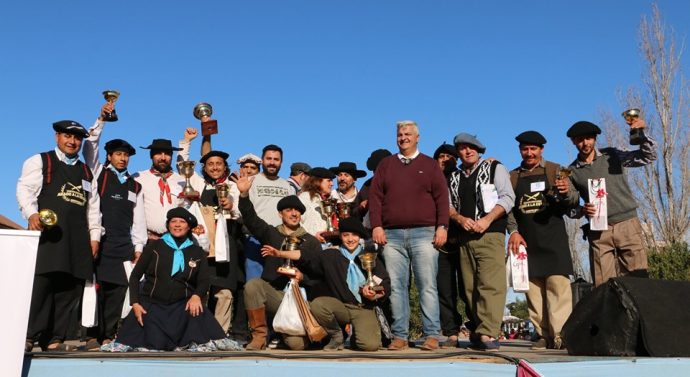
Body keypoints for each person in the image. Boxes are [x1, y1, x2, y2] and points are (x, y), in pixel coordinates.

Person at [17, 120, 101, 352]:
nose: (72, 142)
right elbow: (25, 190)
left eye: (77, 138)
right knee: (41, 287)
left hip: (77, 239)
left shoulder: (86, 171)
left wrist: (95, 236)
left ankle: (54, 338)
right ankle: (28, 336)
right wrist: (31, 214)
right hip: (48, 236)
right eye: (67, 136)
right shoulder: (41, 161)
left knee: (68, 290)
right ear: (57, 137)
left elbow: (93, 207)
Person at [368, 120, 449, 351]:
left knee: (427, 285)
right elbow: (375, 197)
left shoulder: (430, 165)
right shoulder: (386, 165)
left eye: (407, 134)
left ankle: (432, 334)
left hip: (424, 233)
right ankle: (400, 335)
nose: (403, 137)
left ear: (417, 137)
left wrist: (442, 225)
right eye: (400, 134)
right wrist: (377, 226)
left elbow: (442, 197)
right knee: (397, 287)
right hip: (391, 235)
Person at [111, 208, 238, 351]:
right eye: (173, 221)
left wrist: (196, 296)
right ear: (168, 225)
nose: (177, 225)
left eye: (182, 222)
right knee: (152, 342)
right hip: (152, 306)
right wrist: (135, 303)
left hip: (182, 307)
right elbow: (134, 277)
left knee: (198, 312)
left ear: (189, 226)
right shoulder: (154, 247)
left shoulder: (197, 252)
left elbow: (204, 281)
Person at [261, 217, 390, 351]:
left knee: (369, 346)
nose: (350, 239)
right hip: (341, 306)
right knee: (319, 305)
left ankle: (357, 335)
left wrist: (374, 292)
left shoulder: (369, 256)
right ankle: (336, 334)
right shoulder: (330, 255)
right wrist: (280, 253)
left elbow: (384, 282)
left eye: (354, 235)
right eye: (346, 235)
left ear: (360, 237)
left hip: (363, 307)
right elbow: (305, 256)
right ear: (340, 236)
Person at [81, 105, 147, 349]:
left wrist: (138, 246)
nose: (122, 158)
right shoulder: (99, 174)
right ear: (109, 156)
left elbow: (138, 219)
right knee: (95, 290)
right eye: (118, 154)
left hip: (123, 245)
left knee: (119, 292)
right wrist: (101, 120)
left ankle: (108, 334)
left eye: (126, 155)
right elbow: (90, 147)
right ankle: (90, 334)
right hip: (101, 241)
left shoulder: (135, 185)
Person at [233, 173, 323, 350]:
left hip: (300, 300)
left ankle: (285, 333)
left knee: (296, 345)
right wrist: (244, 195)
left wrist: (302, 276)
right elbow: (251, 219)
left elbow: (319, 275)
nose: (294, 213)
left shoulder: (311, 241)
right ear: (280, 214)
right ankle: (259, 336)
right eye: (289, 210)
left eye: (297, 210)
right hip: (277, 296)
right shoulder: (271, 234)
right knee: (253, 285)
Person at [506, 131, 577, 350]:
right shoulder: (513, 176)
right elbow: (508, 208)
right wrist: (514, 231)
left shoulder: (556, 169)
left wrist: (566, 193)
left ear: (541, 150)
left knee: (558, 288)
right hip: (527, 243)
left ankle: (560, 336)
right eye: (525, 149)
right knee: (533, 292)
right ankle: (542, 335)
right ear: (520, 150)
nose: (529, 153)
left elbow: (574, 200)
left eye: (533, 149)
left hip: (554, 239)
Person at [566, 120, 656, 287]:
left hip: (627, 224)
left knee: (639, 281)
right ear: (573, 141)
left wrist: (641, 135)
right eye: (579, 140)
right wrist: (582, 210)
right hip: (599, 231)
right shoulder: (571, 171)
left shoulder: (613, 155)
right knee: (602, 286)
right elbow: (570, 209)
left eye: (588, 138)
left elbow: (648, 156)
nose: (585, 143)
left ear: (595, 139)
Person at [178, 131, 247, 343]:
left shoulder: (235, 186)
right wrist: (186, 142)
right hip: (202, 246)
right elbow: (183, 168)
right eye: (210, 164)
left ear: (225, 166)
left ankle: (219, 335)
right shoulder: (199, 184)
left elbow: (242, 214)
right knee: (201, 291)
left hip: (228, 246)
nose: (215, 167)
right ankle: (197, 335)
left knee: (224, 293)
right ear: (205, 168)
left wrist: (232, 206)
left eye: (219, 163)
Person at [448, 133, 515, 351]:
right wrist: (458, 218)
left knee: (490, 283)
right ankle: (478, 328)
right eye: (463, 148)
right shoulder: (454, 177)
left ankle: (489, 332)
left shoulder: (496, 168)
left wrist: (487, 220)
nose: (467, 151)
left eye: (471, 147)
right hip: (465, 237)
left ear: (479, 150)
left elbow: (508, 197)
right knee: (469, 288)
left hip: (490, 233)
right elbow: (448, 206)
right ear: (458, 152)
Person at [432, 143, 465, 348]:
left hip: (463, 239)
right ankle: (451, 331)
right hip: (439, 243)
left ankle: (478, 327)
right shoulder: (430, 180)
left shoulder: (465, 177)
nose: (445, 159)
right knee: (444, 289)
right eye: (441, 156)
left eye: (450, 156)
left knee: (468, 288)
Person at [243, 144, 293, 280]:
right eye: (269, 158)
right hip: (256, 238)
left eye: (276, 159)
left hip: (280, 239)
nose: (272, 162)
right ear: (262, 160)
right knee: (254, 282)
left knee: (277, 281)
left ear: (281, 162)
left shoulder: (287, 186)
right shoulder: (251, 182)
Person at [133, 135, 187, 241]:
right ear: (151, 156)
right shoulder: (138, 178)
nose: (163, 158)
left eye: (167, 154)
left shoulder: (181, 180)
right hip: (147, 240)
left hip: (175, 240)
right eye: (158, 153)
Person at [352, 149, 392, 228]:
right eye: (375, 170)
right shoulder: (368, 185)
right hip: (372, 232)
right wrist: (361, 207)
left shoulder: (400, 181)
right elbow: (353, 212)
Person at [297, 167, 336, 243]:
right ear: (317, 181)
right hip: (310, 245)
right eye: (329, 180)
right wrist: (312, 236)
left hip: (327, 244)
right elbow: (297, 224)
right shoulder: (304, 198)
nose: (332, 184)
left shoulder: (327, 199)